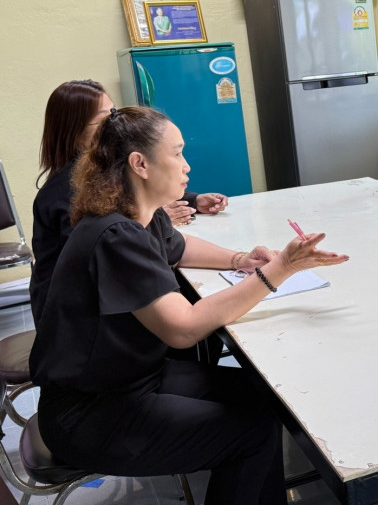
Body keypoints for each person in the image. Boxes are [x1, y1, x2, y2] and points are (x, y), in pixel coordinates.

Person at [29, 106, 348, 505]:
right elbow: (183, 329)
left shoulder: (141, 214)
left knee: (265, 397)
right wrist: (280, 268)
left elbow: (179, 248)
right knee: (252, 434)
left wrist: (240, 259)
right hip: (91, 412)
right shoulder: (115, 235)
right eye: (177, 153)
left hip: (133, 379)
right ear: (140, 164)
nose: (187, 165)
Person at [30, 80, 228, 323]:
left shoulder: (101, 175)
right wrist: (146, 218)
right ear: (73, 130)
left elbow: (136, 191)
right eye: (104, 119)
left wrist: (193, 200)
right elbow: (104, 255)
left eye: (114, 112)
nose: (114, 123)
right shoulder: (68, 194)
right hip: (75, 318)